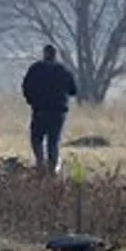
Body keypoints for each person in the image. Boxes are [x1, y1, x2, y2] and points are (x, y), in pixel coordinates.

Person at [21, 43, 79, 174]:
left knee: (36, 138)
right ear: (55, 55)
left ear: (44, 54)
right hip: (58, 112)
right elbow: (73, 90)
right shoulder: (63, 70)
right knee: (54, 140)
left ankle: (40, 164)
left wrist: (31, 101)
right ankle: (52, 169)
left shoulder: (36, 69)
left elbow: (26, 87)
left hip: (40, 110)